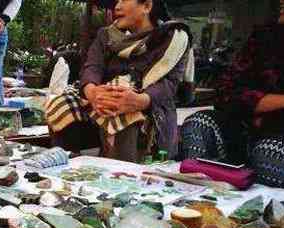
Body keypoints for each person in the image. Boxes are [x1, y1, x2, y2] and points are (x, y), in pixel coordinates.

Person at [46, 0, 192, 163]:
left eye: (124, 0)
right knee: (61, 102)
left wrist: (140, 100)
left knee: (125, 109)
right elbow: (91, 68)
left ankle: (122, 173)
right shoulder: (106, 35)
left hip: (151, 108)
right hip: (104, 100)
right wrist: (92, 92)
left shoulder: (173, 38)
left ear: (146, 6)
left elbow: (170, 84)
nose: (117, 6)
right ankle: (66, 163)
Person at [180, 0, 284, 188]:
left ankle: (265, 213)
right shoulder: (264, 37)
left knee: (269, 153)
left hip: (277, 141)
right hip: (242, 129)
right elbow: (227, 92)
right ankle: (197, 202)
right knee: (198, 124)